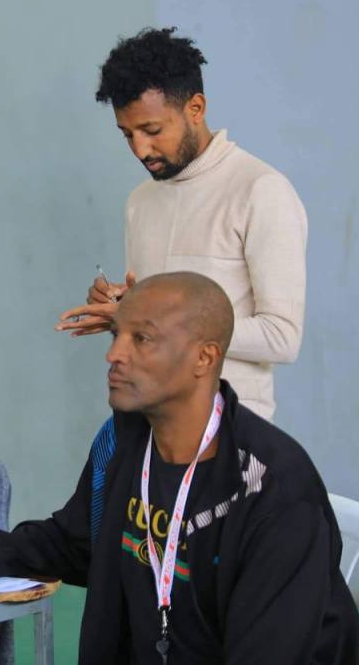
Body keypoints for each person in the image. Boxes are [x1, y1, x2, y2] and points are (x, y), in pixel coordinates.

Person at [0, 272, 359, 664]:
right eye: (116, 335)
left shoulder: (272, 490)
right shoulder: (126, 442)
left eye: (142, 339)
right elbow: (72, 543)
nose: (114, 354)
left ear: (204, 357)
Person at [56, 27, 307, 420]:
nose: (141, 149)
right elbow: (155, 333)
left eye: (152, 130)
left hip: (230, 429)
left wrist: (158, 324)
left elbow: (282, 337)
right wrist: (124, 310)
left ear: (196, 108)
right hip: (147, 425)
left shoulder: (260, 190)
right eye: (127, 134)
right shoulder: (140, 201)